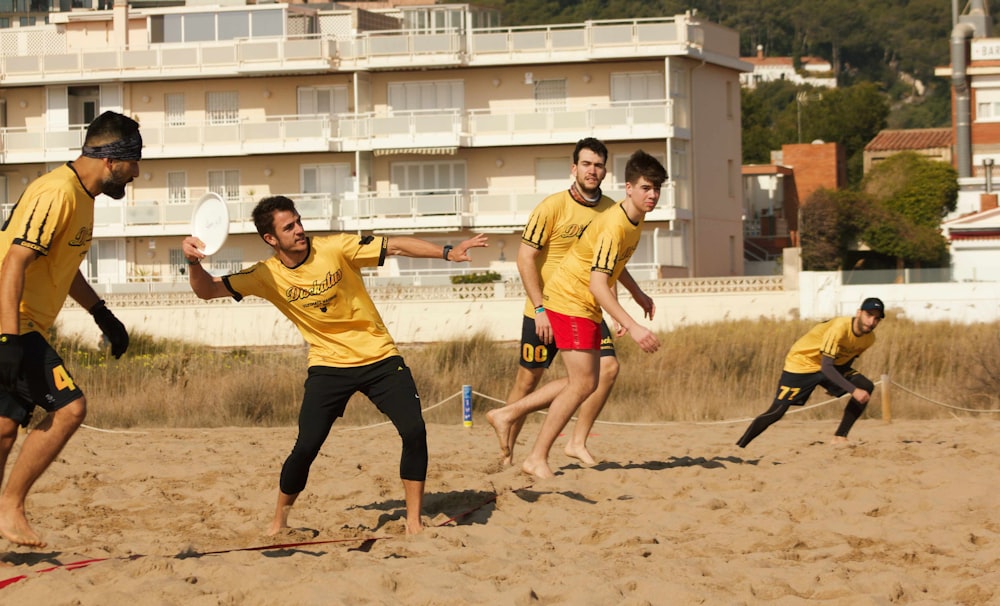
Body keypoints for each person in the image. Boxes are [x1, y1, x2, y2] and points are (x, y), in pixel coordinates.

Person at [182, 196, 487, 535]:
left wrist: (448, 252)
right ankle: (279, 520)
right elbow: (207, 291)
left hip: (379, 357)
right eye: (289, 227)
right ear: (270, 239)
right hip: (328, 365)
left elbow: (396, 246)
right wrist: (193, 262)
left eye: (298, 221)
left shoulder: (337, 247)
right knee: (307, 445)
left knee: (414, 431)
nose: (299, 230)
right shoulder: (265, 274)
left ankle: (413, 521)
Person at [0, 111, 138, 547]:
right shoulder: (57, 193)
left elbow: (65, 265)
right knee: (70, 408)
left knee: (4, 428)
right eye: (135, 162)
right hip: (12, 320)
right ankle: (10, 506)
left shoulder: (83, 198)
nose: (137, 173)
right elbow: (14, 263)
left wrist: (102, 314)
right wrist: (8, 340)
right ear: (112, 160)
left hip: (23, 323)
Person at [489, 150, 667, 479]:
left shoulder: (632, 217)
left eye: (657, 188)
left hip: (580, 302)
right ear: (630, 187)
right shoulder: (612, 223)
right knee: (579, 382)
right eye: (646, 188)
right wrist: (633, 325)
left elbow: (613, 264)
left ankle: (511, 417)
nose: (653, 195)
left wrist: (636, 292)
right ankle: (534, 455)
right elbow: (599, 284)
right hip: (568, 300)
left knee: (587, 379)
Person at [736, 297, 886, 448]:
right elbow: (826, 367)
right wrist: (852, 390)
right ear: (859, 313)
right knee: (776, 412)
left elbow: (847, 359)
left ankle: (840, 437)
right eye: (869, 315)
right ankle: (739, 446)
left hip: (830, 364)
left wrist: (837, 383)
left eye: (877, 318)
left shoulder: (869, 339)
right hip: (802, 363)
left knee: (866, 386)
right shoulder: (840, 327)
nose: (872, 321)